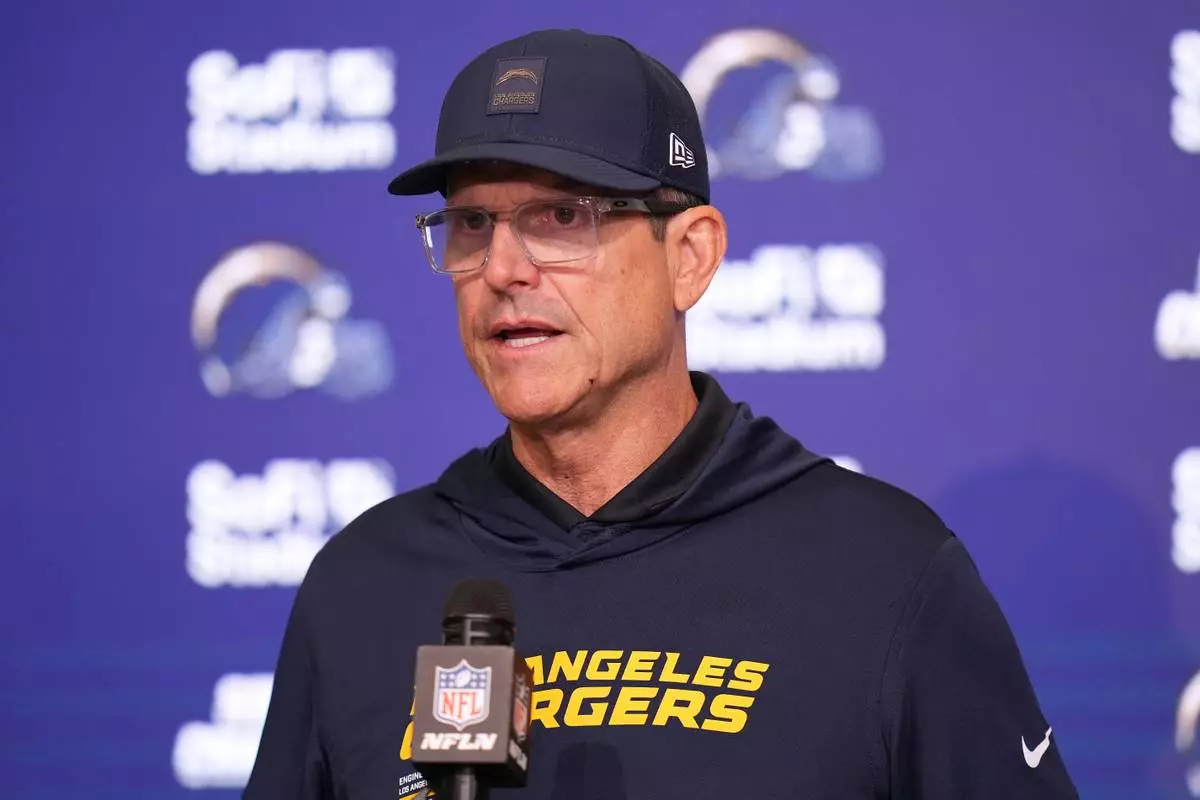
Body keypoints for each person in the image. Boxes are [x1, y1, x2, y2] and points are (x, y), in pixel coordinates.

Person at [243, 28, 1079, 799]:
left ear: (691, 257)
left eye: (561, 217)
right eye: (471, 223)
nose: (502, 267)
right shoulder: (361, 583)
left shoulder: (884, 575)